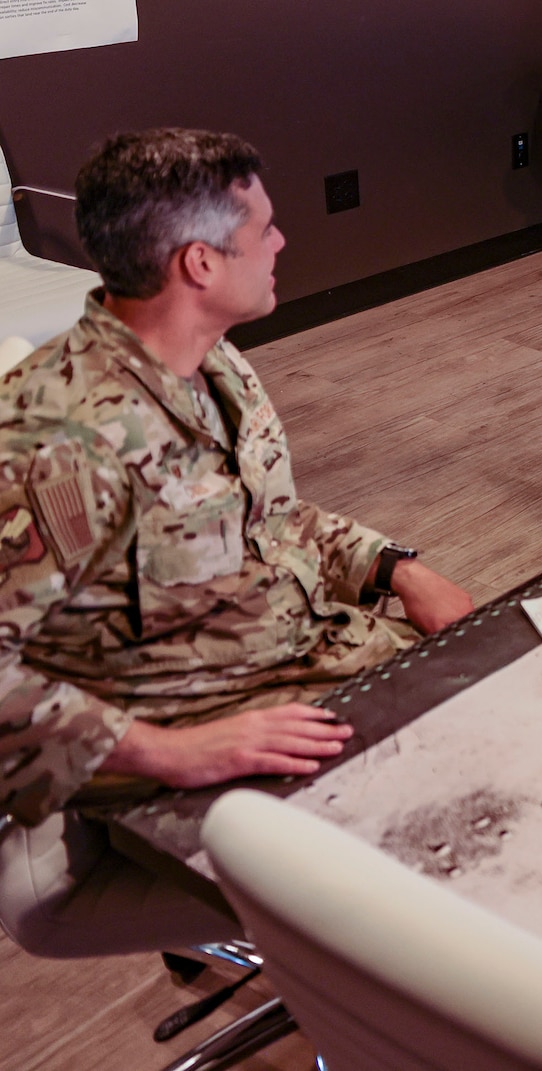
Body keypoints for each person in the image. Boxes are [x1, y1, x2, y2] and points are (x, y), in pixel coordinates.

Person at [0, 128, 474, 957]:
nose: (282, 241)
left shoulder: (215, 363)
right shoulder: (56, 443)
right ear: (200, 264)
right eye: (264, 230)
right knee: (472, 857)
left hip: (308, 663)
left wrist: (397, 567)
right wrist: (173, 753)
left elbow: (271, 518)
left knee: (533, 715)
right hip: (193, 732)